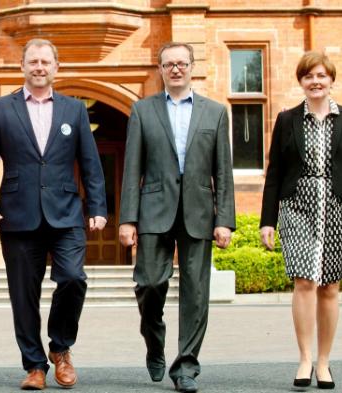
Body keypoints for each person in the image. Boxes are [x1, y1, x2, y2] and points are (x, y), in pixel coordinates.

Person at [0, 38, 107, 390]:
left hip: (66, 214)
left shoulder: (74, 110)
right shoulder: (0, 108)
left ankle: (60, 348)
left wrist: (98, 208)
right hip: (17, 215)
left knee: (73, 279)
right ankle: (34, 365)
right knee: (23, 293)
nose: (39, 67)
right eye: (33, 61)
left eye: (45, 61)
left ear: (56, 68)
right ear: (22, 66)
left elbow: (91, 165)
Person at [260, 51, 342, 390]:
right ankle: (304, 359)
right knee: (304, 282)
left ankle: (324, 362)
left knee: (330, 286)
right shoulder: (286, 120)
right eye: (309, 76)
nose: (315, 81)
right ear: (300, 81)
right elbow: (275, 173)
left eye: (321, 76)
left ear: (331, 81)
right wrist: (267, 220)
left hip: (338, 205)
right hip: (297, 204)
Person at [118, 42, 235, 393]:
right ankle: (155, 343)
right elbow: (131, 168)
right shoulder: (142, 110)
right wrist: (127, 219)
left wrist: (224, 219)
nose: (176, 69)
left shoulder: (215, 112)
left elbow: (223, 170)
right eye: (169, 64)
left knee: (196, 293)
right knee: (150, 283)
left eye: (182, 63)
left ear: (192, 67)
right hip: (154, 210)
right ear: (160, 69)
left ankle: (186, 366)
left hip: (199, 211)